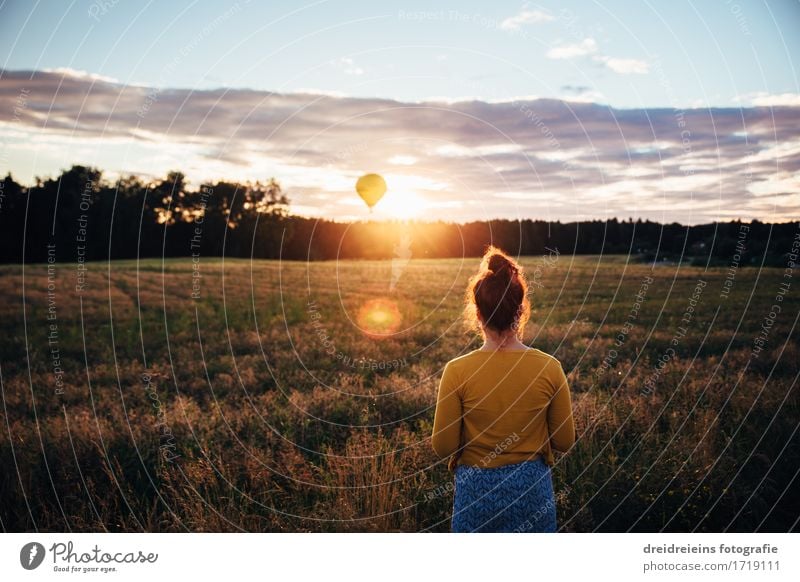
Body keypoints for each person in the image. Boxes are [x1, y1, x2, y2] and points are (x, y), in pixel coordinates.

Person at [431, 246, 575, 532]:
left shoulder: (457, 371)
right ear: (520, 311)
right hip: (531, 490)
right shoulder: (549, 367)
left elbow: (443, 447)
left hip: (475, 491)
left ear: (477, 313)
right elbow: (564, 441)